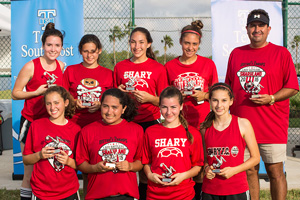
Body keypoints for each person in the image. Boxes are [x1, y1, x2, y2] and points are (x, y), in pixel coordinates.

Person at [225, 9, 299, 200]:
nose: (256, 29)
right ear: (247, 28)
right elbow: (228, 89)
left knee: (275, 172)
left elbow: (292, 87)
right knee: (249, 171)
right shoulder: (236, 53)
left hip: (272, 126)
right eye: (252, 25)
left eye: (261, 26)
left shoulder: (281, 53)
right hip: (242, 126)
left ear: (268, 29)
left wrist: (271, 98)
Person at [164, 20, 218, 199]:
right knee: (183, 163)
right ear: (180, 42)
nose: (190, 47)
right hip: (179, 123)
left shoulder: (208, 65)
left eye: (194, 44)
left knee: (202, 164)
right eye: (187, 43)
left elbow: (217, 93)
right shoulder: (170, 66)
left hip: (202, 121)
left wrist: (204, 95)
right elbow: (165, 95)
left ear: (199, 45)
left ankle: (200, 195)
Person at [113, 27, 168, 199]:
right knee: (123, 166)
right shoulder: (120, 66)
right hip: (127, 123)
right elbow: (114, 97)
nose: (137, 46)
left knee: (146, 168)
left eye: (141, 42)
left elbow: (165, 101)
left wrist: (150, 99)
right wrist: (119, 91)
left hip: (149, 122)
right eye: (133, 42)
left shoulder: (158, 68)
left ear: (148, 44)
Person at [11, 22, 64, 200]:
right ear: (42, 46)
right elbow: (15, 93)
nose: (53, 49)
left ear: (62, 47)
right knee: (29, 171)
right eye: (49, 45)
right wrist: (36, 92)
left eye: (57, 45)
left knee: (52, 169)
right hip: (32, 122)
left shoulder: (62, 67)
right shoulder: (31, 66)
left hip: (53, 125)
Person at [76, 88, 144, 200]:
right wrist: (95, 168)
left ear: (123, 109)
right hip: (97, 195)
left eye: (114, 107)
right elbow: (80, 163)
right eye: (105, 106)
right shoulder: (87, 131)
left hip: (126, 196)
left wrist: (130, 166)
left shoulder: (136, 130)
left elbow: (141, 161)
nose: (109, 112)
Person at [200, 83, 260, 199]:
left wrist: (234, 170)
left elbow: (256, 157)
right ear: (210, 101)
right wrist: (207, 169)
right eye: (215, 100)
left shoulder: (243, 124)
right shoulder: (204, 128)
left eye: (224, 100)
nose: (219, 105)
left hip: (236, 189)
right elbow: (205, 160)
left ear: (231, 101)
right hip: (210, 190)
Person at [142, 86, 203, 200]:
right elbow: (146, 162)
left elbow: (197, 166)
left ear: (181, 106)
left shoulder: (193, 133)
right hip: (155, 195)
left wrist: (183, 176)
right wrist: (150, 175)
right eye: (164, 107)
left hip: (184, 195)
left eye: (173, 107)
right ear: (159, 107)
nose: (169, 112)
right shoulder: (150, 131)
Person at [22, 86, 81, 200]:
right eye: (48, 103)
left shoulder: (76, 130)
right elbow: (26, 159)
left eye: (56, 102)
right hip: (41, 192)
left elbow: (81, 165)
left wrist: (68, 161)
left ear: (66, 102)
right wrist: (39, 155)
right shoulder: (36, 126)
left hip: (68, 191)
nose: (52, 107)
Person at [63, 34, 113, 128]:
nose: (89, 55)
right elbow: (62, 96)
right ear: (80, 51)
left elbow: (113, 101)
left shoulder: (109, 74)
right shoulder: (70, 70)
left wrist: (101, 104)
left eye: (93, 51)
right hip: (74, 122)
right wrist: (73, 102)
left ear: (99, 51)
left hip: (99, 123)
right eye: (85, 51)